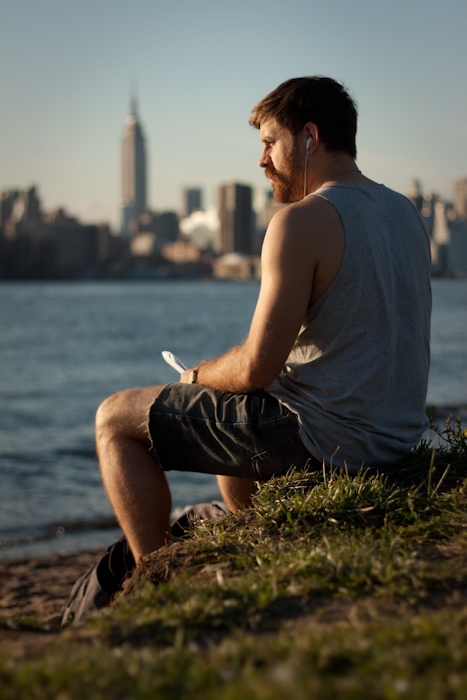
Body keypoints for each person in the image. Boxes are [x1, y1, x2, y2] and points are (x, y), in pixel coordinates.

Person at [96, 76, 431, 566]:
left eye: (270, 143)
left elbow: (257, 367)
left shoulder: (301, 221)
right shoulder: (405, 213)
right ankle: (266, 542)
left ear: (309, 138)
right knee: (241, 404)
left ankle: (154, 576)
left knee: (115, 420)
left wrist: (193, 377)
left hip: (327, 444)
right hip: (397, 443)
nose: (262, 160)